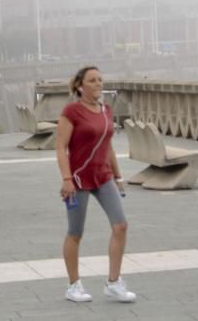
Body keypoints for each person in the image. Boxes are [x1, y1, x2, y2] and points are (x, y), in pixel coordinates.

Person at [56, 66, 135, 304]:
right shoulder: (72, 111)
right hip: (78, 180)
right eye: (92, 80)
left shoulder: (106, 110)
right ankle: (73, 285)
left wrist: (119, 177)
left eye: (100, 79)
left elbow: (108, 145)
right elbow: (61, 147)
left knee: (120, 225)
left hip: (104, 177)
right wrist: (67, 179)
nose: (98, 83)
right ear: (81, 86)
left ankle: (113, 283)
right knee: (76, 232)